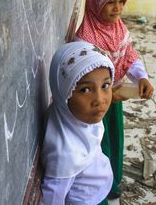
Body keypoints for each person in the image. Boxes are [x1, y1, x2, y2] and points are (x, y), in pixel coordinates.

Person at [72, 0, 154, 199]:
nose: (117, 8)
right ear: (96, 2)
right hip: (94, 102)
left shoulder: (118, 28)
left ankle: (113, 180)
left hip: (114, 97)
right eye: (110, 2)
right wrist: (108, 92)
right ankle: (99, 186)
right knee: (98, 141)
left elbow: (128, 55)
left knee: (115, 137)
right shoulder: (85, 40)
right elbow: (85, 78)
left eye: (121, 1)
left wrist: (142, 77)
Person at [40, 41, 116, 205]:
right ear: (64, 94)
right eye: (85, 90)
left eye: (105, 85)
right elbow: (52, 198)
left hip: (97, 188)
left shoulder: (72, 116)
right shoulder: (66, 154)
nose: (99, 100)